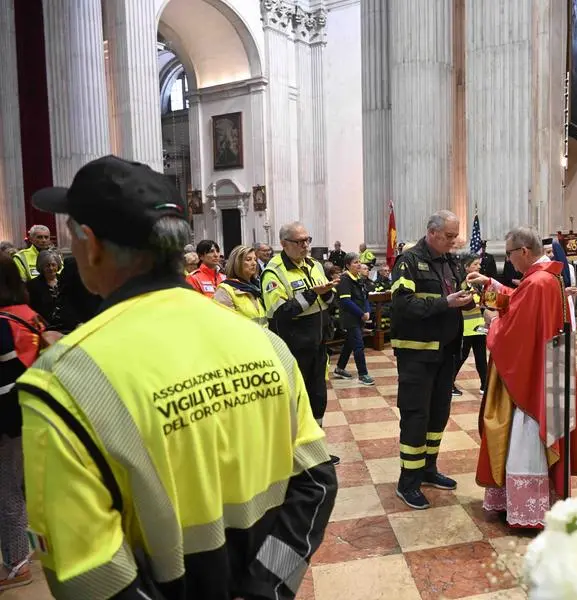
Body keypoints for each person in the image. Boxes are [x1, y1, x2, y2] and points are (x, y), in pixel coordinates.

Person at [19, 155, 337, 599]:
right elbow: (316, 484)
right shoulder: (265, 345)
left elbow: (90, 573)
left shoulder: (63, 382)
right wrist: (268, 587)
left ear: (89, 243)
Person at [467, 227, 577, 528]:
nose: (509, 261)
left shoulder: (537, 282)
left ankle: (528, 508)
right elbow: (517, 302)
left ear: (523, 251)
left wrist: (493, 322)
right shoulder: (547, 277)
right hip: (548, 367)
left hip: (531, 376)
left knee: (525, 435)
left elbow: (515, 332)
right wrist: (490, 284)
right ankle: (540, 499)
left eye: (508, 254)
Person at [390, 210, 473, 509]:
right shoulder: (408, 262)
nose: (453, 241)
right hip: (417, 354)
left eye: (455, 236)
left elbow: (461, 293)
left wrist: (471, 297)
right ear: (432, 232)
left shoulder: (451, 262)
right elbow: (402, 305)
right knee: (416, 416)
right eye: (449, 236)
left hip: (446, 351)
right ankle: (407, 483)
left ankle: (428, 469)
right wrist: (444, 303)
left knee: (438, 415)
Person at [262, 222, 340, 465]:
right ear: (284, 244)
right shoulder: (274, 272)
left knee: (318, 396)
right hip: (293, 348)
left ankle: (317, 448)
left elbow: (327, 301)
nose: (306, 245)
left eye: (307, 240)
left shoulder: (314, 265)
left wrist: (327, 293)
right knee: (296, 400)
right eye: (299, 242)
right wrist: (312, 294)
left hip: (317, 344)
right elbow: (279, 312)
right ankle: (294, 453)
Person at [0, 253, 52, 592]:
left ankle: (17, 562)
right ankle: (28, 550)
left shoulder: (2, 321)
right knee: (21, 487)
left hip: (6, 415)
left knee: (7, 491)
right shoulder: (29, 314)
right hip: (31, 409)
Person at [333, 253, 375, 386]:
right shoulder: (345, 280)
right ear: (347, 265)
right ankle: (363, 374)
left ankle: (340, 368)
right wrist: (362, 313)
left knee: (350, 343)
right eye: (355, 262)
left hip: (360, 317)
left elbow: (365, 297)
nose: (359, 264)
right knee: (358, 345)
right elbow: (346, 301)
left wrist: (367, 310)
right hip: (350, 317)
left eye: (359, 262)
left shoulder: (359, 278)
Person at [454, 253, 487, 394]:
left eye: (479, 264)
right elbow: (464, 304)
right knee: (461, 356)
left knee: (481, 356)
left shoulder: (478, 283)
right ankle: (448, 383)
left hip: (479, 325)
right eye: (475, 264)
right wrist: (479, 303)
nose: (479, 266)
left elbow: (484, 299)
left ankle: (485, 385)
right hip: (466, 326)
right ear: (466, 267)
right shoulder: (461, 284)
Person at [26, 249, 79, 333]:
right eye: (47, 266)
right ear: (41, 267)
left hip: (68, 326)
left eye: (53, 265)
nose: (51, 268)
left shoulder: (65, 280)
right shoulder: (32, 285)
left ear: (58, 266)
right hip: (46, 328)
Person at [213, 244, 266, 326]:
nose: (254, 263)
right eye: (248, 260)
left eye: (255, 260)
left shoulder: (256, 287)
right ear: (237, 263)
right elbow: (225, 325)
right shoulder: (224, 290)